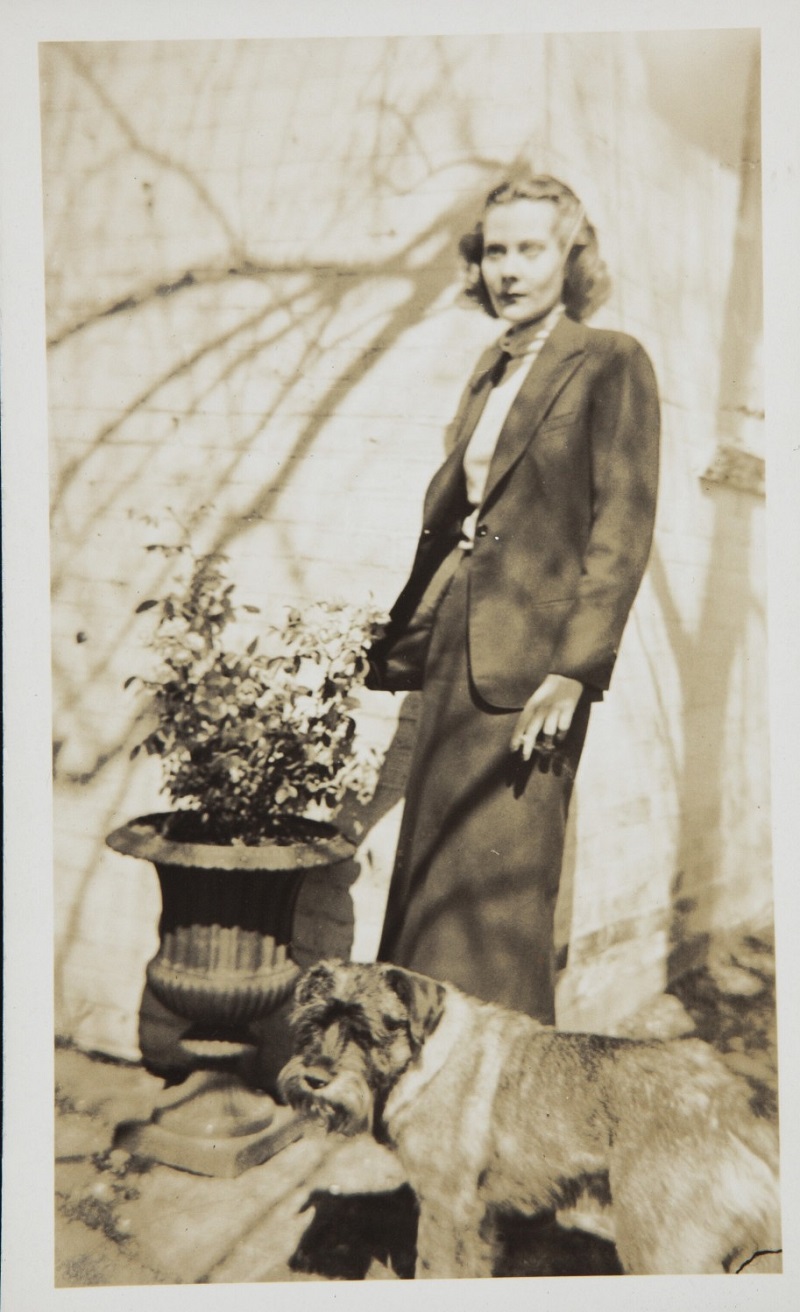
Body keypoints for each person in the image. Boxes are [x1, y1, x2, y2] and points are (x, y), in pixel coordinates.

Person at [367, 174, 660, 1022]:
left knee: (501, 896)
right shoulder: (488, 370)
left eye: (531, 248)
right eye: (495, 250)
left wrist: (575, 671)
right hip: (458, 646)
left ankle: (507, 1083)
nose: (509, 268)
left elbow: (621, 528)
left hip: (535, 670)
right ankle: (418, 1067)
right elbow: (464, 515)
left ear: (572, 256)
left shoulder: (611, 361)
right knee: (431, 873)